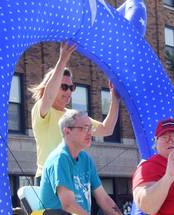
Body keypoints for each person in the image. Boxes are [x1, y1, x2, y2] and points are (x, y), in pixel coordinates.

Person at [30, 43, 120, 179]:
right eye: (64, 87)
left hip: (72, 178)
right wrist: (63, 59)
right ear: (51, 85)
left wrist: (115, 98)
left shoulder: (73, 116)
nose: (68, 92)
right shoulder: (41, 109)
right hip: (49, 176)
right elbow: (48, 96)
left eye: (71, 87)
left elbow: (106, 129)